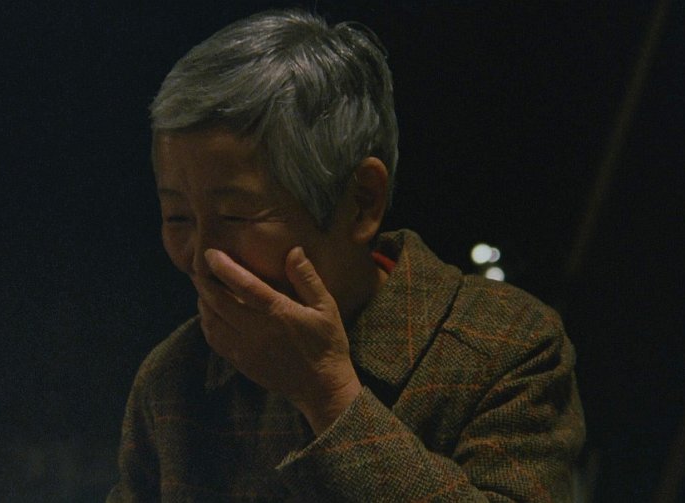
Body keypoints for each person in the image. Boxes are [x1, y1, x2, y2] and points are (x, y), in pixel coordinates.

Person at [109, 9, 585, 502]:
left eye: (235, 216)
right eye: (177, 218)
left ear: (361, 202)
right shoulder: (175, 378)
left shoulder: (506, 346)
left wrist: (328, 394)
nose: (200, 258)